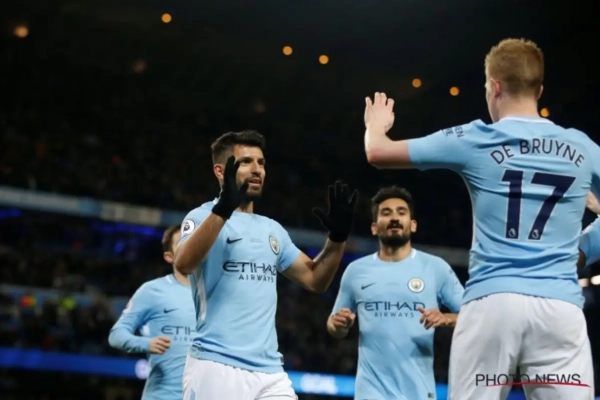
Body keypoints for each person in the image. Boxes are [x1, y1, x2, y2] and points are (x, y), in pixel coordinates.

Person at [363, 38, 600, 400]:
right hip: (559, 310)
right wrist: (583, 249)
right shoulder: (582, 147)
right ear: (539, 89)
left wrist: (376, 125)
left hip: (492, 307)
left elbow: (378, 152)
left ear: (494, 87)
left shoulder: (475, 138)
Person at [174, 130, 358, 400]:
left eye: (261, 162)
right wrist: (223, 209)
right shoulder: (201, 216)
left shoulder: (272, 229)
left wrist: (338, 239)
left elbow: (314, 279)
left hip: (270, 371)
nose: (257, 169)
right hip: (216, 363)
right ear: (220, 171)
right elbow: (183, 264)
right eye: (246, 162)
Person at [327, 186, 464, 400]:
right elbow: (333, 325)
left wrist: (446, 318)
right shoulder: (356, 271)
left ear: (413, 224)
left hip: (418, 393)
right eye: (386, 213)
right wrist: (338, 325)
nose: (394, 218)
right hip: (370, 393)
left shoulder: (435, 268)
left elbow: (475, 315)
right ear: (374, 228)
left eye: (401, 212)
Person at [108, 224, 196, 400]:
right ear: (169, 256)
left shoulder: (217, 295)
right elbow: (116, 335)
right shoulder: (152, 291)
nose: (189, 246)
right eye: (182, 242)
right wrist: (146, 344)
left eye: (193, 241)